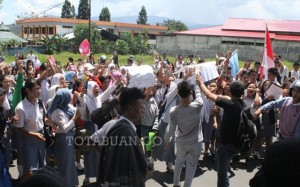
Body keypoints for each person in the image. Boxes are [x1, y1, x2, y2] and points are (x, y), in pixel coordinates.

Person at [93, 87, 148, 187]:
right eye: (141, 107)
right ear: (130, 109)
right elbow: (134, 166)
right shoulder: (125, 131)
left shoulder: (121, 127)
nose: (143, 110)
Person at [197, 74, 246, 187]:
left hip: (227, 145)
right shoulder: (243, 104)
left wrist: (200, 82)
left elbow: (209, 95)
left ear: (230, 91)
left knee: (222, 173)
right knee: (224, 170)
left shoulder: (229, 104)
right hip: (238, 143)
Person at [164, 78, 203, 187]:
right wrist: (197, 81)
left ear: (177, 94)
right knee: (191, 166)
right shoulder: (198, 105)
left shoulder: (174, 111)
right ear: (191, 93)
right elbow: (199, 93)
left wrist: (166, 141)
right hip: (196, 142)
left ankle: (176, 184)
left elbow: (170, 130)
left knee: (178, 163)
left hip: (181, 142)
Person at [13, 78, 46, 180]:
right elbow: (19, 128)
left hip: (41, 139)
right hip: (28, 141)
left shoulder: (39, 102)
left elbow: (43, 118)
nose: (39, 91)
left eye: (40, 88)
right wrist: (34, 134)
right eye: (36, 89)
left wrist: (51, 122)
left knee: (42, 168)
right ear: (28, 90)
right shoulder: (20, 108)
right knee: (31, 171)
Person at [47, 88, 81, 187]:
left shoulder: (66, 107)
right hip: (64, 138)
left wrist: (79, 99)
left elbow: (78, 110)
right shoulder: (58, 111)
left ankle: (71, 183)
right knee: (65, 164)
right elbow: (65, 128)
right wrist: (75, 117)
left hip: (68, 137)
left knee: (70, 162)